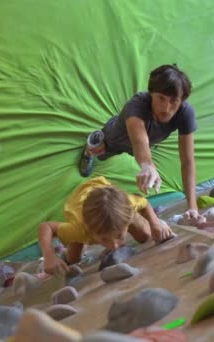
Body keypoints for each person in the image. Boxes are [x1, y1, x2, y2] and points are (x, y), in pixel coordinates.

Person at [78, 64, 203, 223]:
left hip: (148, 141)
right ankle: (90, 149)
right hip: (118, 138)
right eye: (161, 98)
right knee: (101, 153)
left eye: (174, 101)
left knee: (143, 149)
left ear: (182, 100)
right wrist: (147, 165)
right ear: (151, 94)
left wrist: (192, 206)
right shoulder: (136, 106)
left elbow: (188, 161)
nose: (166, 108)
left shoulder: (185, 113)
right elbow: (139, 142)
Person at [38, 176, 174, 276]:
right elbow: (46, 227)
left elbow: (143, 202)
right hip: (77, 201)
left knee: (145, 235)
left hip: (104, 190)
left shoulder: (128, 206)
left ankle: (141, 225)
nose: (114, 246)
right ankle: (78, 247)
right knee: (73, 259)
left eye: (119, 236)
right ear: (91, 231)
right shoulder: (79, 229)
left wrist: (155, 223)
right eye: (104, 239)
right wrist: (49, 255)